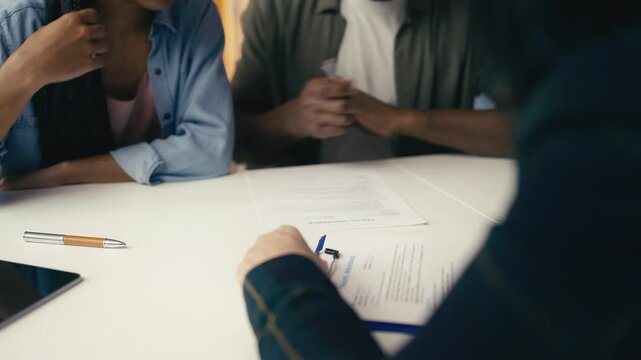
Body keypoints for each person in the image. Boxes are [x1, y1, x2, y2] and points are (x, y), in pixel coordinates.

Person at [237, 0, 641, 358]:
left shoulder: (601, 143)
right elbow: (236, 136)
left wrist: (280, 278)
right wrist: (291, 119)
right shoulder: (277, 9)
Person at [233, 0, 515, 167]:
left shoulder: (469, 13)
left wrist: (403, 120)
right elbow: (235, 142)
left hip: (428, 209)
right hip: (296, 211)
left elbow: (532, 128)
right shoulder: (277, 9)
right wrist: (293, 120)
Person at [0, 0, 233, 190]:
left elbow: (210, 147)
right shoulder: (15, 22)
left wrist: (65, 174)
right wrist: (25, 71)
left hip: (152, 226)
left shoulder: (194, 13)